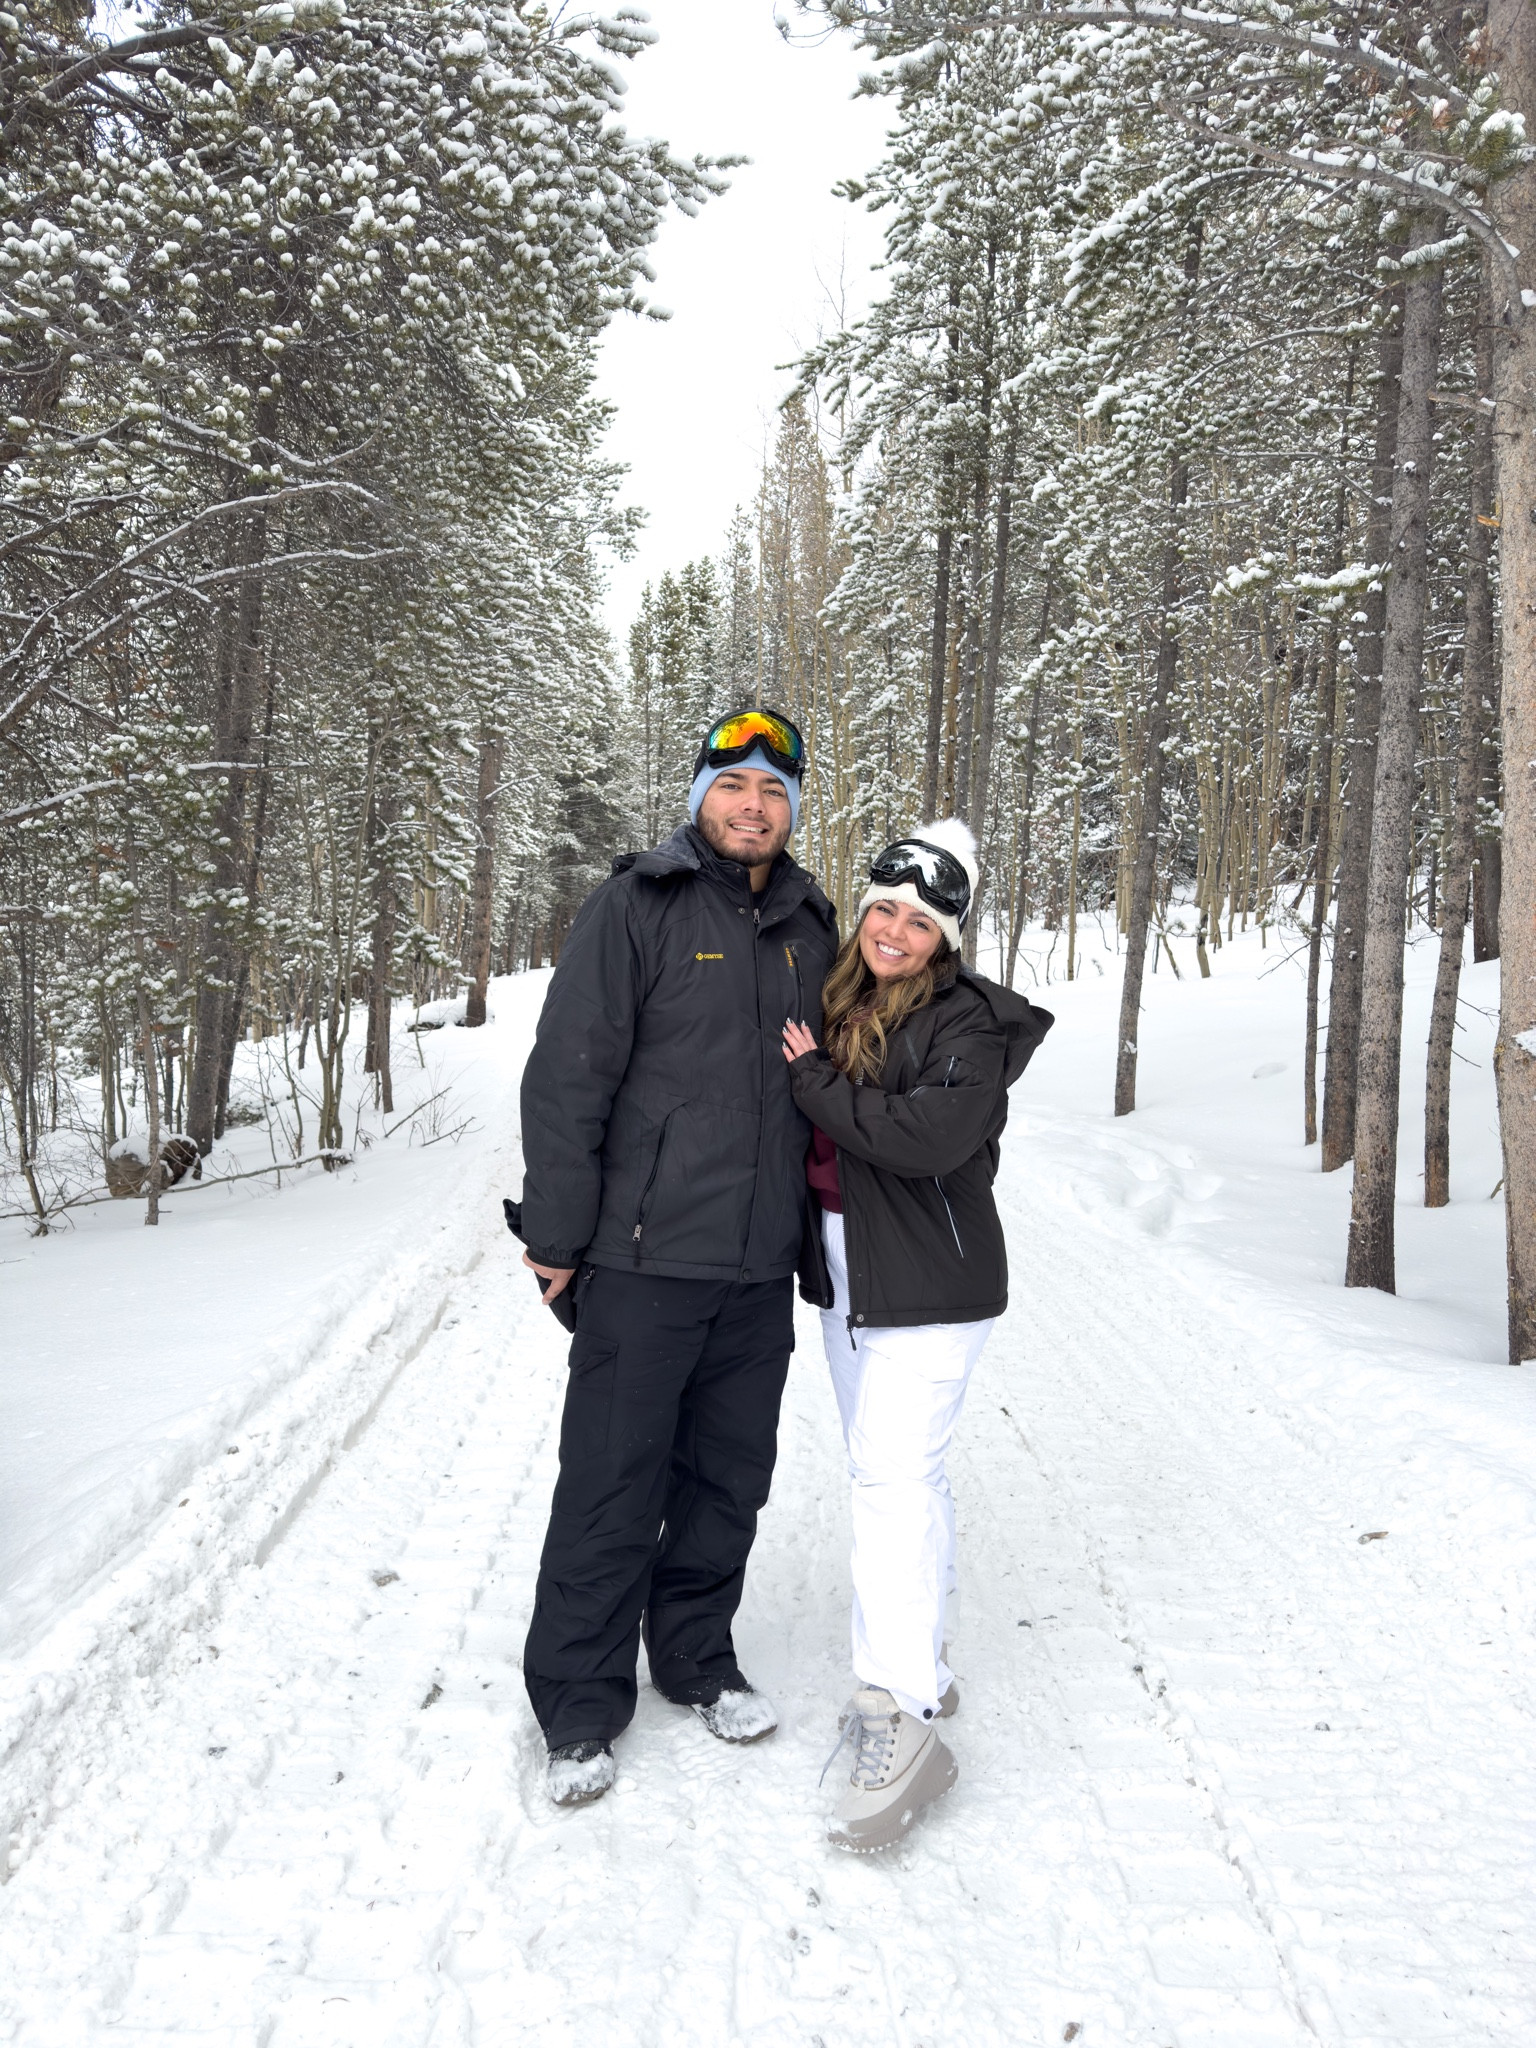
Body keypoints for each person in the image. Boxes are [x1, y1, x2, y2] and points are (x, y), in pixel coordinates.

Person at [517, 709, 838, 1807]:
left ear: (793, 810)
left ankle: (697, 1656)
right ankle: (579, 1703)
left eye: (774, 791)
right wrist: (557, 1238)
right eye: (733, 785)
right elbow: (567, 1076)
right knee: (612, 1483)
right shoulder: (635, 906)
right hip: (644, 1262)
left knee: (726, 1481)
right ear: (701, 793)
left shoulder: (811, 925)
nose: (753, 806)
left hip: (755, 1269)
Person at [781, 818, 1053, 1852]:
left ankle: (899, 1711)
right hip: (850, 1274)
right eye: (885, 908)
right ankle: (924, 1667)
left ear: (948, 938)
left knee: (889, 1484)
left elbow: (927, 1136)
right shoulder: (839, 998)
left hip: (931, 1281)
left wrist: (817, 1083)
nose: (895, 930)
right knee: (900, 1475)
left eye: (921, 920)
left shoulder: (967, 1021)